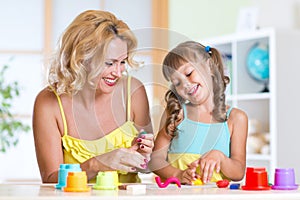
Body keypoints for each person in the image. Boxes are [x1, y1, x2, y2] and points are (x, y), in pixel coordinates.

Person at [32, 10, 153, 183]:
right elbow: (51, 179)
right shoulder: (49, 103)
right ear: (81, 59)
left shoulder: (134, 91)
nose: (118, 72)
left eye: (123, 62)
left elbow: (149, 166)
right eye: (109, 63)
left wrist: (144, 158)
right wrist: (96, 164)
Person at [149, 41, 248, 185]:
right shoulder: (176, 114)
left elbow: (238, 172)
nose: (186, 84)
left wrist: (220, 157)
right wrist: (178, 174)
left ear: (209, 66)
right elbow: (155, 160)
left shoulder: (236, 118)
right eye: (177, 83)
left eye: (189, 73)